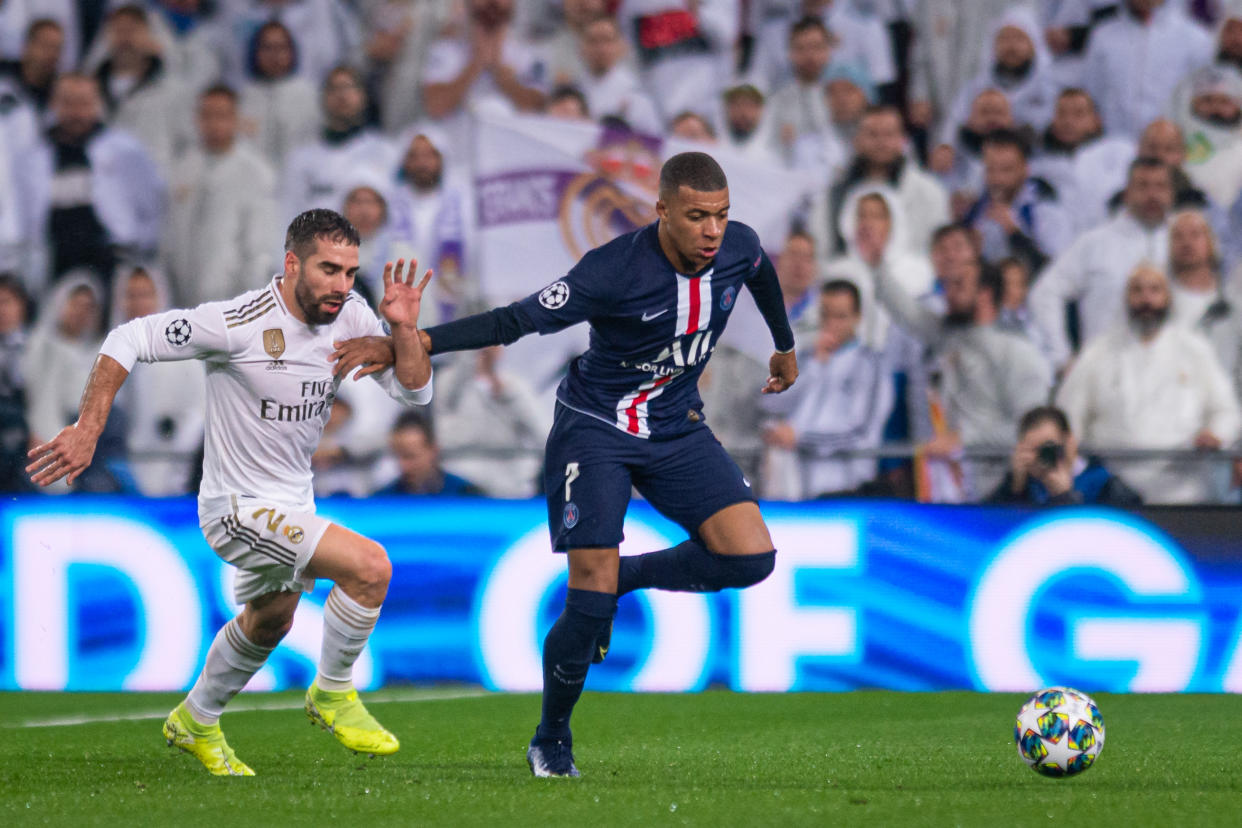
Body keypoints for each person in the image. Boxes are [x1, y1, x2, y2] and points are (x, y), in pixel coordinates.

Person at [332, 151, 797, 778]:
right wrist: (408, 342)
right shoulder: (612, 271)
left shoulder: (737, 247)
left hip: (676, 427)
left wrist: (784, 345)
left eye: (720, 215)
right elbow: (516, 320)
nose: (712, 231)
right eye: (696, 217)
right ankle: (551, 737)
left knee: (750, 558)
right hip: (596, 429)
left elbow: (762, 272)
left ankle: (620, 580)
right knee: (588, 596)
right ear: (661, 211)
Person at [25, 209, 434, 775]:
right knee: (370, 567)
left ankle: (195, 720)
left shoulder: (353, 316)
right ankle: (334, 692)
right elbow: (130, 335)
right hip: (236, 508)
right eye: (329, 269)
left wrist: (403, 329)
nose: (342, 285)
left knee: (271, 619)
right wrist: (89, 425)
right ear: (292, 264)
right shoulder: (239, 321)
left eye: (350, 272)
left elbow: (416, 393)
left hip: (294, 501)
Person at [1056, 263, 1240, 504]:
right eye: (1138, 290)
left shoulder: (1194, 349)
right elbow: (1067, 417)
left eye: (1155, 290)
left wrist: (1216, 434)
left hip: (1183, 491)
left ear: (1168, 298)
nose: (1146, 299)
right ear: (1126, 298)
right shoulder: (1097, 353)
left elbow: (1226, 410)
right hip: (1112, 492)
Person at [1029, 156, 1174, 370]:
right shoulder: (1096, 242)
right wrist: (1061, 358)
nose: (1152, 195)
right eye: (1143, 186)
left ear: (1171, 193)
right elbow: (1044, 293)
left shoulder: (1185, 243)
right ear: (1127, 193)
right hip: (1104, 374)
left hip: (1169, 375)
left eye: (1160, 186)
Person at [760, 279, 893, 499]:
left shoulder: (871, 365)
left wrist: (800, 438)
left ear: (857, 317)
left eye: (840, 316)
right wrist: (813, 368)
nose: (832, 324)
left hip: (847, 486)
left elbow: (860, 431)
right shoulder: (804, 358)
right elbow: (769, 403)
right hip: (797, 487)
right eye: (825, 315)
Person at [165, 84, 278, 307]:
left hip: (232, 303)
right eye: (207, 115)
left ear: (236, 119)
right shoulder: (183, 168)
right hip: (184, 299)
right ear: (197, 119)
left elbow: (260, 249)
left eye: (222, 116)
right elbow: (171, 238)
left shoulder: (256, 173)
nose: (214, 124)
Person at [986, 405, 1143, 506]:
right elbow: (989, 528)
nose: (1041, 458)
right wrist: (1014, 488)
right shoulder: (1022, 484)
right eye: (1032, 450)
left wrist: (1065, 497)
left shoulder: (1105, 485)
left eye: (1048, 448)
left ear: (1070, 442)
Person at [372, 409, 486, 496]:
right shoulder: (382, 503)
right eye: (398, 456)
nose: (403, 466)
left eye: (410, 456)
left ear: (433, 450)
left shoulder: (467, 496)